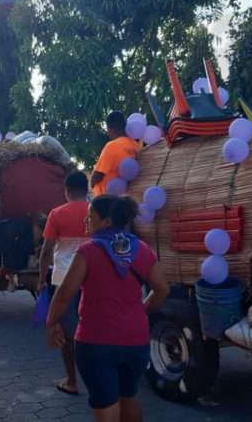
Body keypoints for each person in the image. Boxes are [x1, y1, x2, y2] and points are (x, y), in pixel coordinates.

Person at [46, 194, 169, 422]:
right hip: (136, 342)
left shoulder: (88, 252)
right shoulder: (141, 249)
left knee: (105, 403)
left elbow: (64, 294)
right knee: (129, 396)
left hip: (96, 343)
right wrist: (141, 310)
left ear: (107, 221)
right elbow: (162, 290)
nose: (86, 222)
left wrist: (51, 322)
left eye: (90, 216)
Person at [37, 171, 90, 395]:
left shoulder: (56, 214)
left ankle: (72, 381)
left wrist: (41, 280)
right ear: (87, 190)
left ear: (66, 191)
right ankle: (95, 379)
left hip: (63, 281)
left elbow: (46, 250)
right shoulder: (95, 212)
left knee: (68, 335)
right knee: (91, 330)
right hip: (91, 279)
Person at [91, 111, 138, 197]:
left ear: (111, 128)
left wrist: (91, 184)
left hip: (105, 200)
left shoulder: (111, 147)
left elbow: (98, 175)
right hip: (125, 199)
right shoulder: (136, 146)